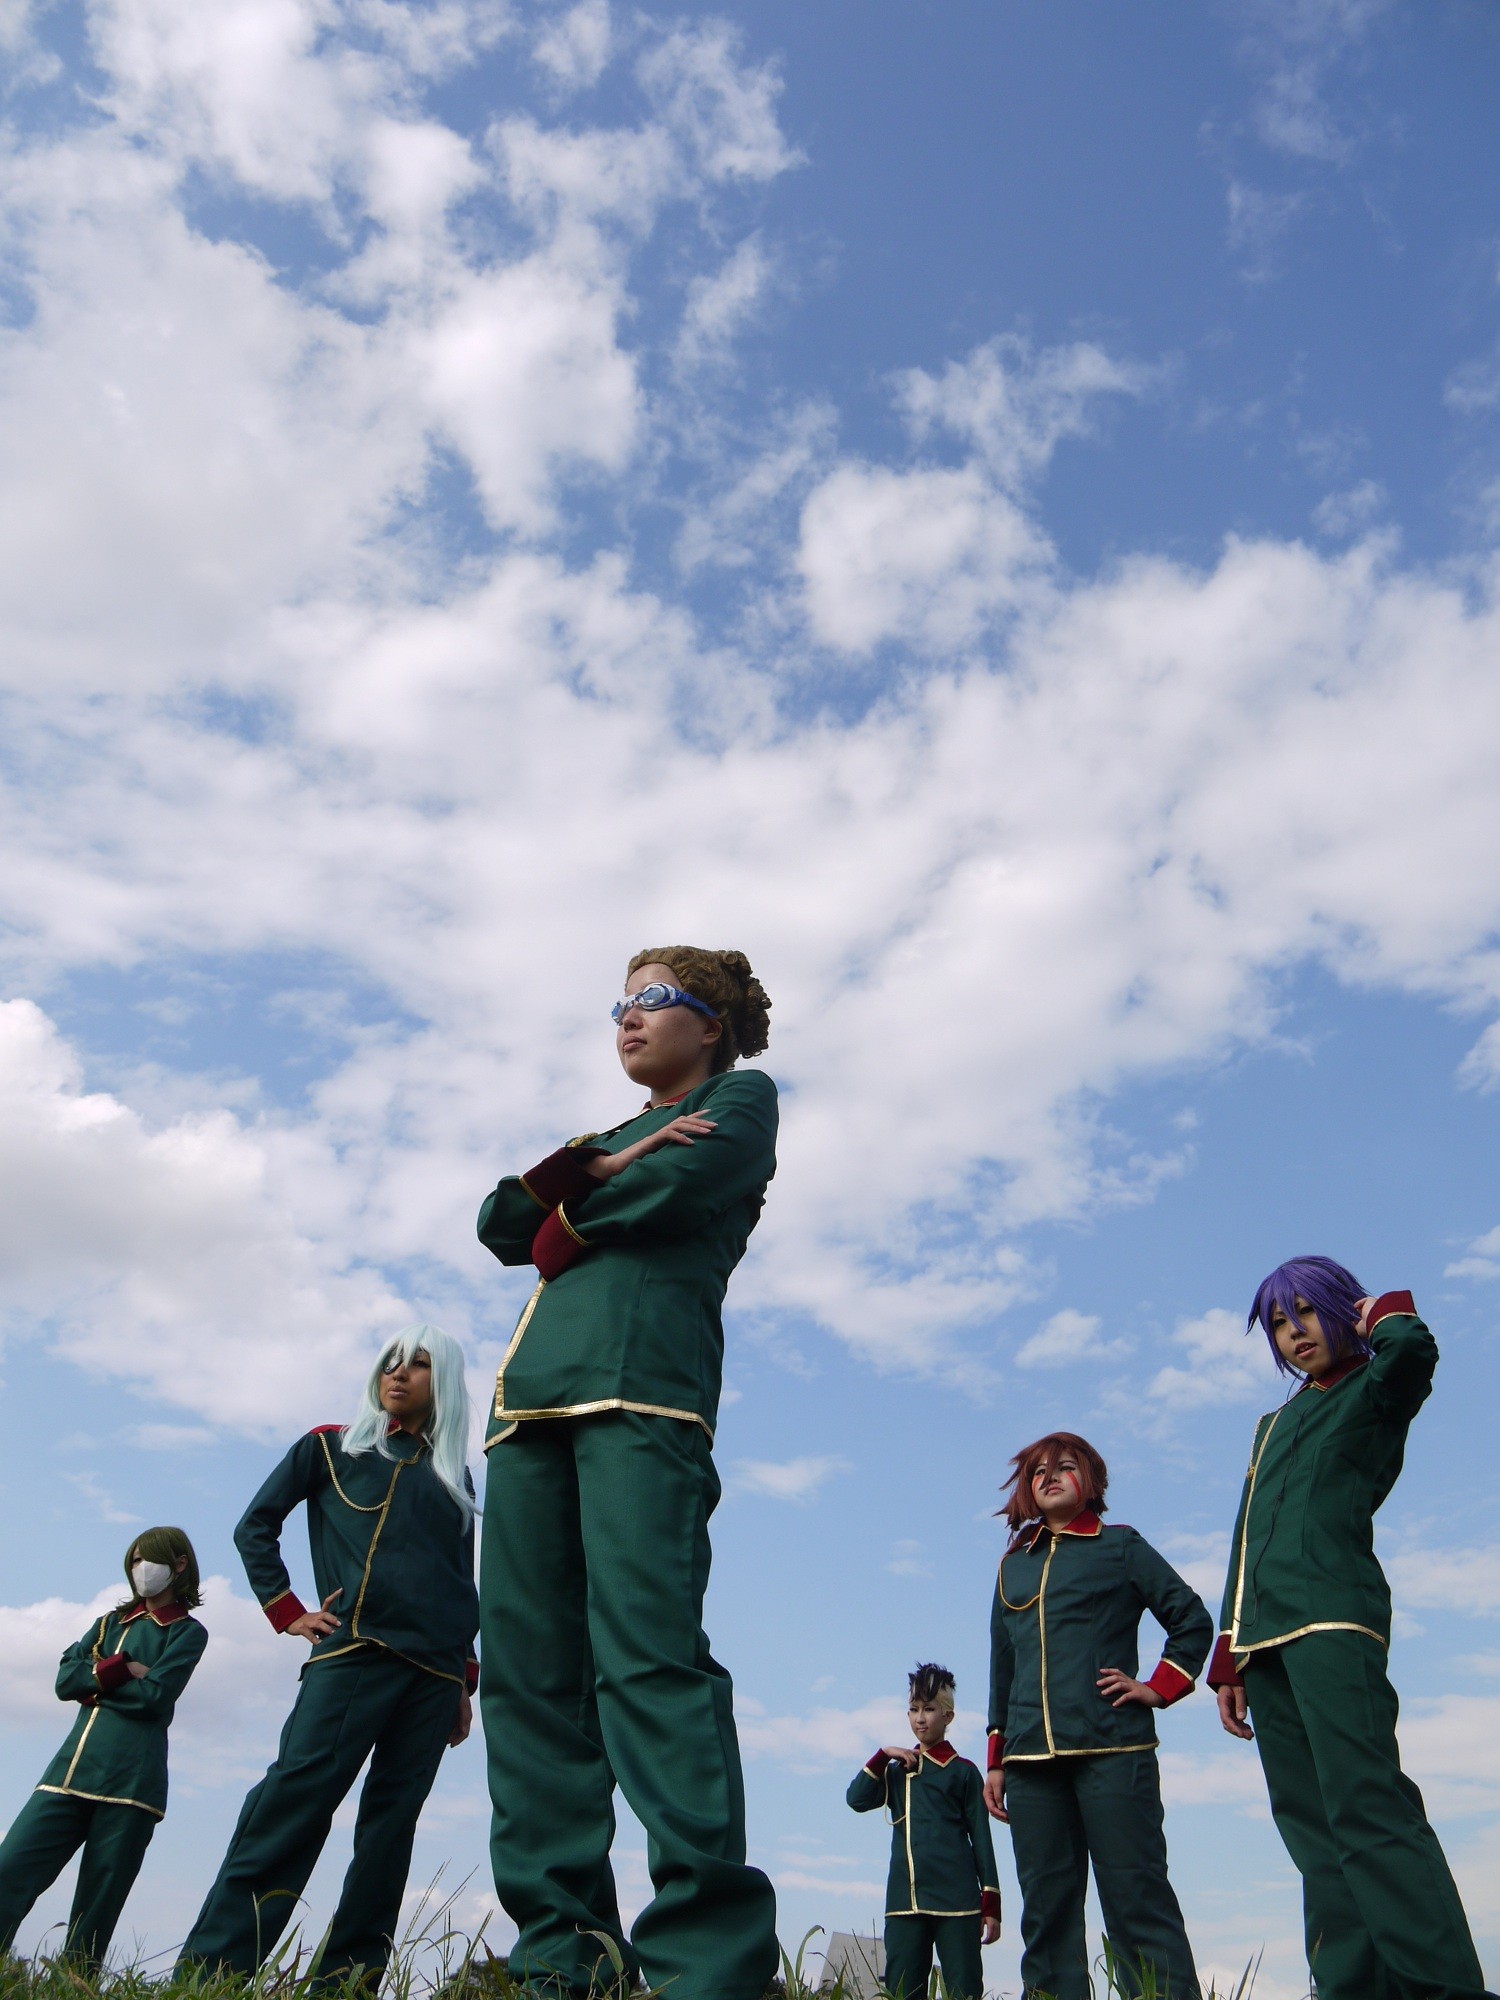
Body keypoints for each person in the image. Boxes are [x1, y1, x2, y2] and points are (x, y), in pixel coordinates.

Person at [476, 947, 778, 2000]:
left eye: (654, 998)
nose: (628, 1018)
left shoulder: (741, 1101)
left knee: (647, 1661)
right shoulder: (602, 1138)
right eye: (620, 1003)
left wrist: (564, 1218)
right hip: (526, 1412)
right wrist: (592, 1170)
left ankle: (707, 1964)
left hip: (644, 1396)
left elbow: (674, 1188)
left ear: (712, 1021)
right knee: (528, 1682)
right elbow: (496, 1222)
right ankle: (565, 1954)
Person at [1209, 1262, 1491, 2000]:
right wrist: (1228, 1655)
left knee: (1366, 1805)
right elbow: (1246, 1537)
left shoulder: (1374, 1389)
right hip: (1262, 1642)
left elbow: (1412, 1350)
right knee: (1310, 1828)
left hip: (1334, 1618)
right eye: (1279, 1322)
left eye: (1308, 1311)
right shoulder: (1270, 1427)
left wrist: (1379, 1310)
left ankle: (1442, 1987)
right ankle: (1350, 1987)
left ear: (1343, 1311)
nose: (1294, 1331)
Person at [178, 1326, 478, 1986]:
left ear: (445, 1384)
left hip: (433, 1677)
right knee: (293, 1801)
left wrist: (464, 1677)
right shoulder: (330, 1446)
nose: (398, 1374)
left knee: (389, 1832)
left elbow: (462, 1579)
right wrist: (287, 1610)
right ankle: (212, 1975)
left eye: (418, 1365)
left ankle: (348, 1985)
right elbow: (255, 1525)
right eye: (390, 1363)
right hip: (353, 1653)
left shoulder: (454, 1475)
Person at [985, 1432, 1209, 2000]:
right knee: (1046, 1913)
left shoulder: (1121, 1545)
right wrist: (996, 1760)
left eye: (1065, 1466)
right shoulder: (1012, 1567)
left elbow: (1191, 1619)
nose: (1050, 1477)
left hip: (1115, 1750)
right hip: (1030, 1762)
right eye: (1038, 1472)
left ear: (1092, 1481)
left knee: (1136, 1898)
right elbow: (1002, 1666)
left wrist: (1158, 1687)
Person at [0, 1527, 206, 1969]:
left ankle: (74, 1987)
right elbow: (64, 1682)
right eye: (134, 1561)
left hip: (132, 1787)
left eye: (148, 1559)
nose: (140, 1569)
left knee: (96, 1911)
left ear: (179, 1565)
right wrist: (123, 1668)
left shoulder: (187, 1633)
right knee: (8, 1870)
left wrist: (94, 1684)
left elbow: (155, 1698)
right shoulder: (108, 1624)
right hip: (66, 1775)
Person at [845, 1663, 1000, 2000]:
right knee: (902, 1992)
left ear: (948, 1716)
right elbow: (856, 1799)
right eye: (913, 1709)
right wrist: (882, 1756)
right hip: (905, 1903)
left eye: (929, 1709)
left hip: (958, 1904)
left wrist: (990, 1904)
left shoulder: (964, 1772)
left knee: (964, 1991)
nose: (920, 1718)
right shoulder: (897, 1770)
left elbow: (981, 1839)